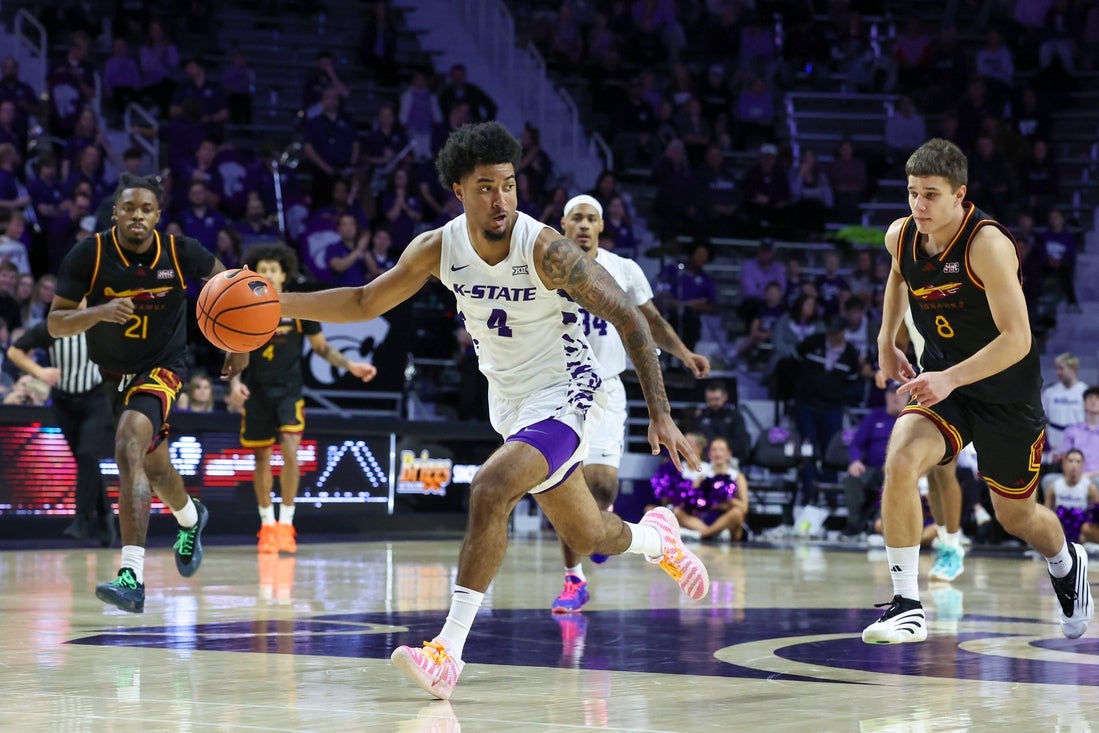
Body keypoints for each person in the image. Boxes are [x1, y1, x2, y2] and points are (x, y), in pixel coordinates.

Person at [276, 121, 707, 700]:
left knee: (490, 487)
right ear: (459, 191)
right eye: (485, 187)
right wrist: (277, 303)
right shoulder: (438, 248)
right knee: (590, 534)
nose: (500, 199)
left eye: (508, 184)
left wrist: (660, 412)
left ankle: (447, 652)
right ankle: (657, 538)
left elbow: (629, 317)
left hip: (567, 391)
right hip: (508, 402)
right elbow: (362, 301)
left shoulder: (546, 249)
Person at [864, 138, 1091, 645]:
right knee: (901, 460)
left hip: (1006, 393)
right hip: (947, 385)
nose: (918, 205)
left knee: (1015, 516)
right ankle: (906, 605)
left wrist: (949, 377)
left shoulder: (986, 244)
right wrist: (885, 339)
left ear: (959, 195)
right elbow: (899, 276)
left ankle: (1065, 560)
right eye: (912, 193)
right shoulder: (901, 235)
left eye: (930, 195)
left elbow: (1018, 338)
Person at [47, 173, 249, 614]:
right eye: (129, 208)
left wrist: (240, 346)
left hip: (162, 368)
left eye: (146, 209)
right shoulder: (89, 254)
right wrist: (99, 312)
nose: (137, 215)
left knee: (127, 445)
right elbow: (56, 323)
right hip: (112, 375)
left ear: (158, 215)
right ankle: (191, 518)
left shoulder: (180, 252)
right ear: (115, 213)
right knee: (154, 468)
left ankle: (131, 577)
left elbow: (232, 290)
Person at [549, 194, 710, 613]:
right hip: (557, 387)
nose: (584, 225)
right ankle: (574, 579)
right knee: (568, 486)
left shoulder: (623, 269)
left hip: (605, 387)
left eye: (591, 219)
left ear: (601, 227)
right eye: (576, 218)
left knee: (602, 485)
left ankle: (601, 524)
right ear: (563, 224)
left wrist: (683, 353)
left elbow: (650, 321)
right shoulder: (546, 265)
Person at [235, 244, 376, 554]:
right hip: (257, 392)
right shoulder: (242, 309)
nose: (268, 274)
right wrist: (233, 383)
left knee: (290, 450)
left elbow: (322, 348)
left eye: (273, 269)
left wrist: (351, 365)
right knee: (261, 458)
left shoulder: (298, 309)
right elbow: (234, 349)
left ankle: (286, 524)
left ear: (284, 274)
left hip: (289, 393)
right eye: (263, 269)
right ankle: (266, 526)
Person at [7, 324, 114, 546]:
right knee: (86, 462)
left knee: (87, 453)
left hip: (96, 398)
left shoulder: (100, 323)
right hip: (64, 402)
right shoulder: (53, 327)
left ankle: (81, 519)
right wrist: (39, 372)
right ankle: (105, 513)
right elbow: (14, 351)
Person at [1044, 449, 1099, 546]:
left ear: (1083, 465)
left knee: (1087, 528)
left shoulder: (1089, 487)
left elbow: (1096, 513)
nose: (1074, 465)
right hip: (1060, 525)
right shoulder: (1055, 486)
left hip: (1081, 526)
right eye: (1070, 461)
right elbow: (1047, 511)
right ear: (1064, 464)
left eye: (1078, 461)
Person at [1042, 352, 1087, 463]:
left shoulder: (1085, 391)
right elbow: (1041, 419)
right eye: (1056, 369)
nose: (1058, 372)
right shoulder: (1050, 392)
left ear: (1072, 368)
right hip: (1054, 440)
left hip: (1078, 440)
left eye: (1061, 368)